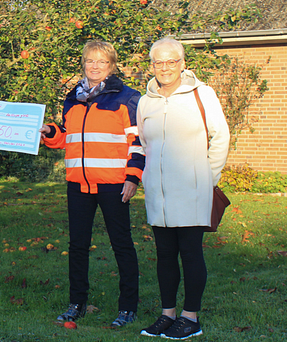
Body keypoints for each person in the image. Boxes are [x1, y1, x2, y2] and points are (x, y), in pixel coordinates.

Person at [39, 41, 143, 327]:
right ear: (83, 64)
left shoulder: (127, 98)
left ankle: (127, 307)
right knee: (77, 246)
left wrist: (133, 177)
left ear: (112, 65)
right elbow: (67, 137)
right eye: (89, 61)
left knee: (122, 245)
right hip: (78, 185)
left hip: (114, 185)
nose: (94, 66)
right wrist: (51, 132)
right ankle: (77, 303)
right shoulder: (73, 98)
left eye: (101, 62)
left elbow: (138, 143)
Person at [137, 37, 229, 339]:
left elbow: (221, 137)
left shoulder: (202, 94)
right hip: (158, 193)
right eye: (158, 62)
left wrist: (207, 177)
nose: (165, 68)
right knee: (164, 254)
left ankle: (191, 318)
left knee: (190, 253)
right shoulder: (145, 100)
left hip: (193, 190)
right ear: (152, 65)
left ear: (183, 63)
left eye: (171, 61)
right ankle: (168, 315)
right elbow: (145, 143)